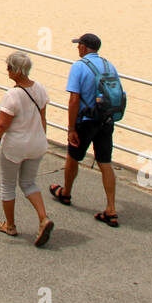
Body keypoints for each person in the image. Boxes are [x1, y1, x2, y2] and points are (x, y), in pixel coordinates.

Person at [0, 51, 54, 246]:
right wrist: (41, 139)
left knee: (8, 185)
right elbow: (43, 119)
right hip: (37, 144)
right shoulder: (41, 89)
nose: (7, 70)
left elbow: (1, 126)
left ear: (17, 70)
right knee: (29, 183)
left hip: (15, 147)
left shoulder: (12, 95)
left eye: (9, 67)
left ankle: (10, 225)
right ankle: (43, 218)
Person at [50, 33, 120, 227]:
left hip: (86, 121)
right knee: (105, 163)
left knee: (73, 157)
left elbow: (74, 100)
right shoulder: (109, 65)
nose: (77, 48)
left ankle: (66, 193)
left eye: (78, 45)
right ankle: (111, 210)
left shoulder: (79, 66)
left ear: (83, 47)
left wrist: (71, 128)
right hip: (106, 120)